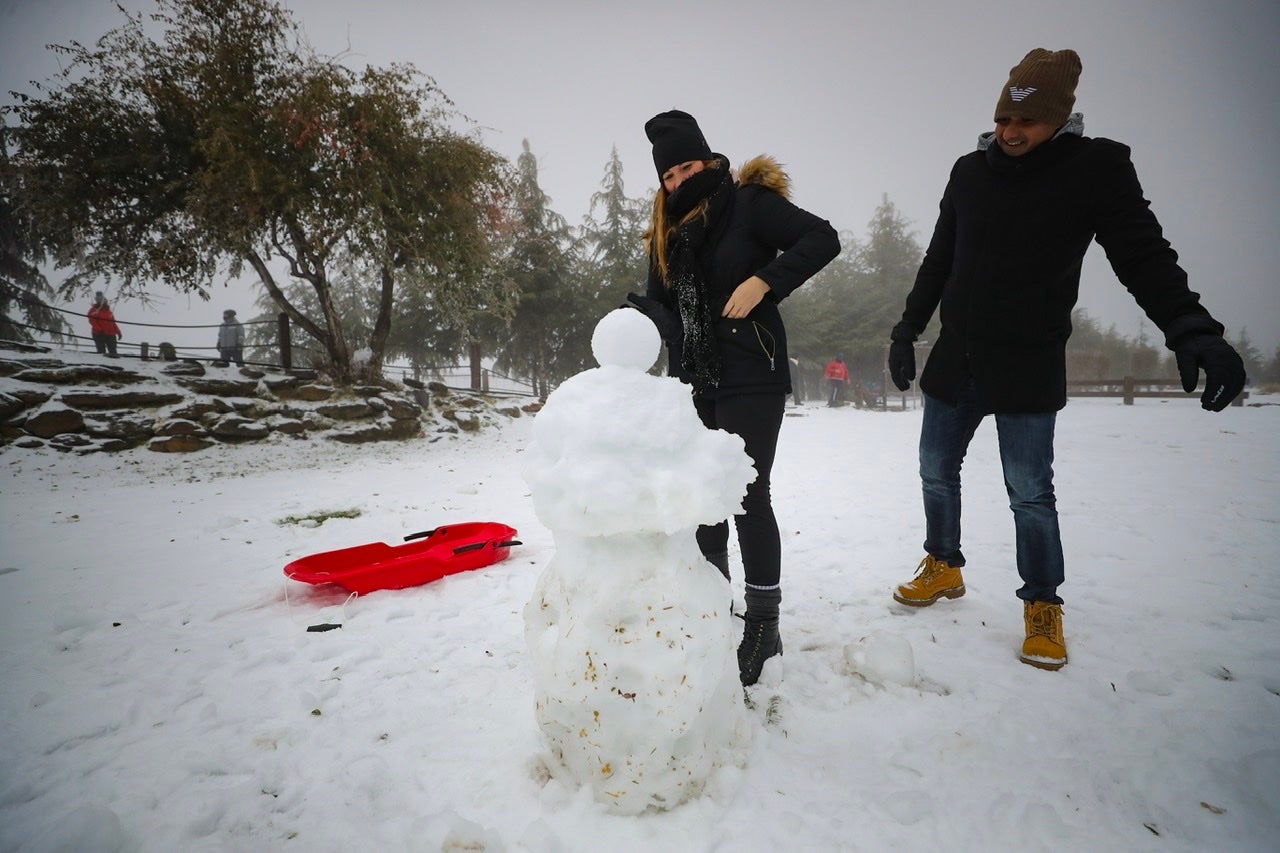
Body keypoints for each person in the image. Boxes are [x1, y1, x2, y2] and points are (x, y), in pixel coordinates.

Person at [886, 49, 1246, 671]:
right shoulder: (970, 173)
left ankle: (1042, 605)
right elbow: (939, 258)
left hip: (1026, 361)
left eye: (1025, 122)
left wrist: (1191, 328)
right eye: (1002, 120)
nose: (1009, 133)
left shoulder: (1095, 169)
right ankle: (943, 564)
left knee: (1029, 492)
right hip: (957, 357)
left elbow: (1142, 255)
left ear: (1060, 118)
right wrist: (905, 329)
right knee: (934, 470)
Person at [627, 109, 839, 685]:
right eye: (667, 176)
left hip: (752, 369)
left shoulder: (747, 203)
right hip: (693, 376)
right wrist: (646, 322)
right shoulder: (665, 232)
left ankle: (764, 624)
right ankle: (714, 607)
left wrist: (765, 280)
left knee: (746, 495)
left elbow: (822, 237)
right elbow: (663, 309)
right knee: (704, 497)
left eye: (686, 168)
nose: (677, 183)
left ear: (708, 159)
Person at [87, 291, 122, 357]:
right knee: (101, 352)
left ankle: (113, 365)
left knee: (113, 352)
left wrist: (118, 332)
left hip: (110, 334)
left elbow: (113, 323)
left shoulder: (108, 311)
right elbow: (92, 321)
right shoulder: (94, 310)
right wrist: (99, 330)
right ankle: (103, 365)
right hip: (99, 334)